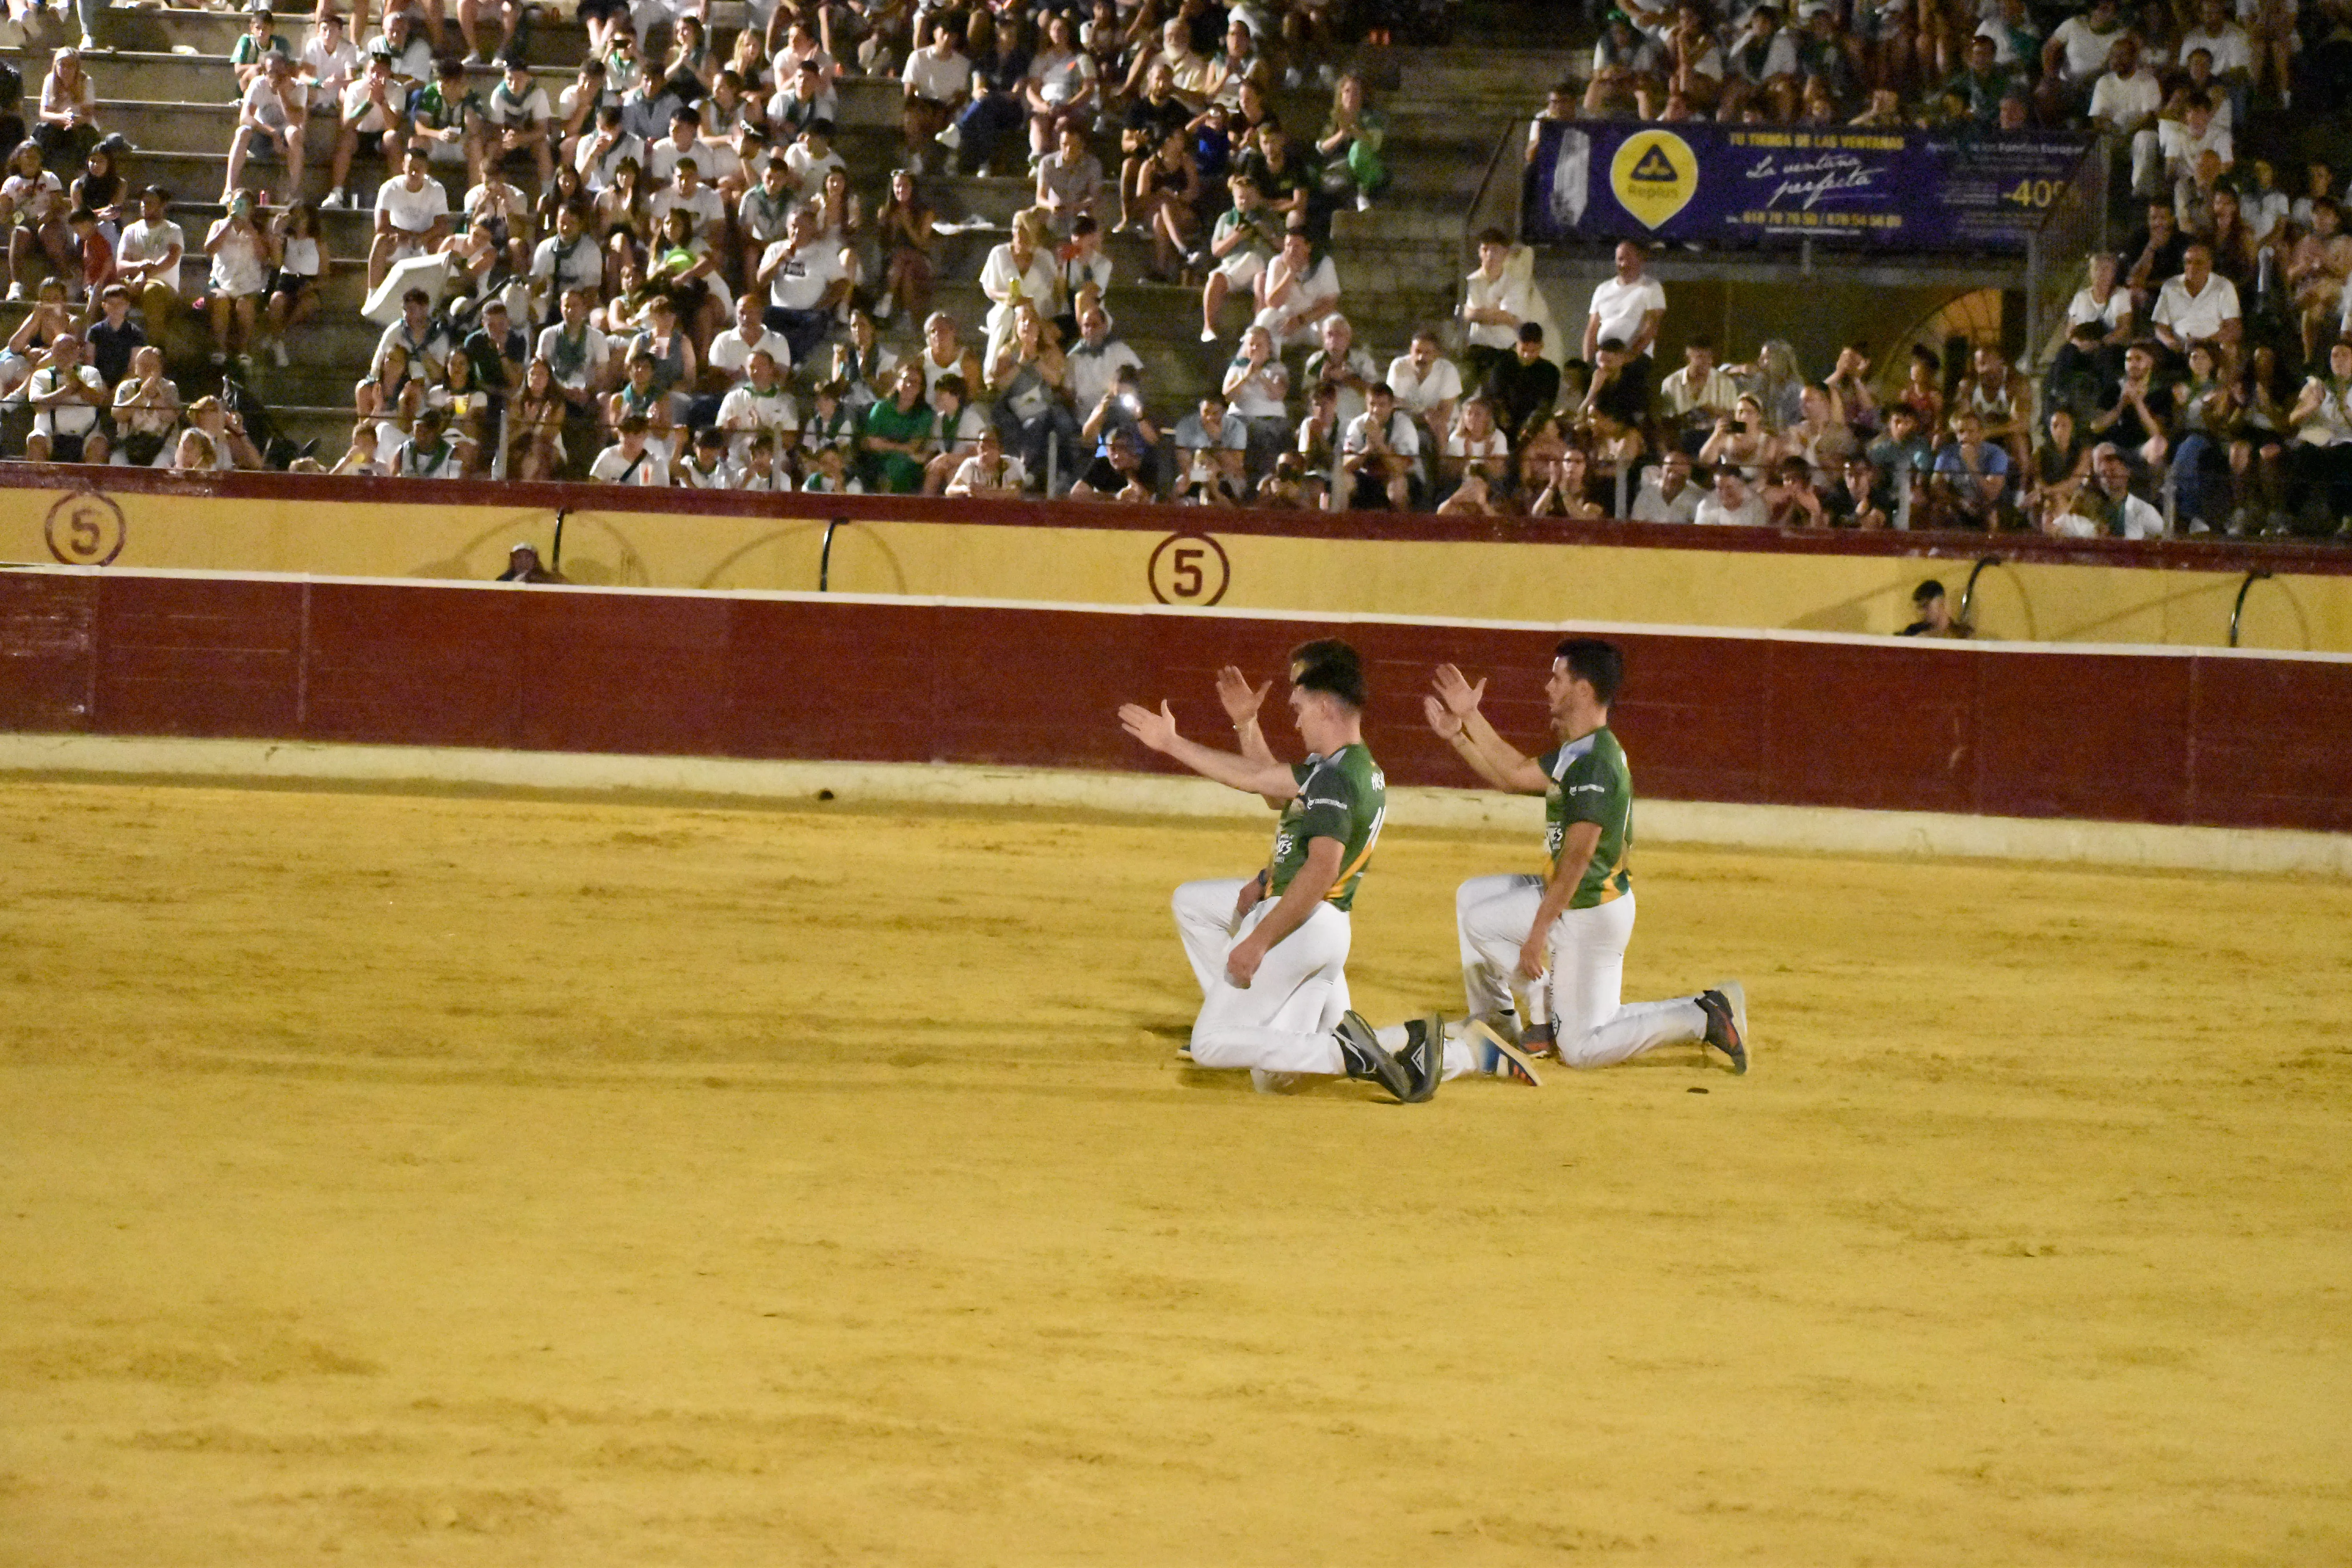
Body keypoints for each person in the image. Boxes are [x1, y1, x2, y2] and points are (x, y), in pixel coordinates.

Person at [1117, 642, 1441, 1102]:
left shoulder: (1334, 776)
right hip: (1326, 929)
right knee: (1272, 1078)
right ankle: (1409, 1042)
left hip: (1302, 921)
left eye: (1299, 705)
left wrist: (1259, 941)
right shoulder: (1349, 766)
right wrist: (1244, 724)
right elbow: (1264, 783)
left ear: (1325, 705)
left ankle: (1342, 1051)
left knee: (1211, 1045)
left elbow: (1322, 867)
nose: (1295, 718)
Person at [1425, 644, 1749, 1075]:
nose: (1548, 687)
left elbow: (1578, 857)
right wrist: (1463, 727)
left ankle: (1699, 1017)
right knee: (1474, 897)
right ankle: (1499, 1019)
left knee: (1580, 1048)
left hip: (1588, 908)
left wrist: (1538, 932)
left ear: (1582, 690)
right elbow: (1514, 774)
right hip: (1585, 899)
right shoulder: (1582, 750)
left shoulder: (1594, 762)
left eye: (1557, 678)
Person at [1582, 240, 1664, 410]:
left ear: (1641, 260)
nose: (1624, 264)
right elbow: (1592, 328)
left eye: (1629, 259)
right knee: (1596, 406)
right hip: (1603, 360)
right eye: (1620, 259)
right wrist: (1589, 362)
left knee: (1625, 408)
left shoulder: (1652, 288)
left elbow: (1652, 326)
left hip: (1635, 359)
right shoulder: (1603, 289)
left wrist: (1627, 357)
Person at [1900, 578, 1972, 637]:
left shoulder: (1963, 635)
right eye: (1919, 608)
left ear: (1941, 603)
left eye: (1926, 605)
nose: (1922, 612)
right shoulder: (1917, 636)